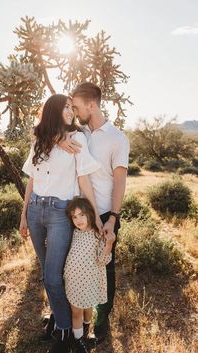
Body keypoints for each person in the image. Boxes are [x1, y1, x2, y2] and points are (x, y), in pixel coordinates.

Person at [19, 94, 101, 353]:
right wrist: (23, 215)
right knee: (47, 274)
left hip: (58, 213)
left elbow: (84, 178)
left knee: (54, 277)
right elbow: (31, 181)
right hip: (35, 210)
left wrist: (96, 215)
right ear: (54, 110)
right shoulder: (40, 141)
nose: (70, 111)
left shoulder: (77, 139)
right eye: (65, 107)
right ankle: (58, 322)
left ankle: (65, 331)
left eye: (71, 107)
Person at [60, 82, 130, 342]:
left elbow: (120, 181)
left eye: (77, 107)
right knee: (74, 265)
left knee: (105, 270)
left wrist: (113, 217)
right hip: (77, 214)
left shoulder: (117, 138)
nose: (75, 112)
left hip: (103, 215)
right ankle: (71, 318)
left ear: (92, 105)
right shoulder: (78, 132)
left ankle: (102, 322)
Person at [64, 197, 115, 353]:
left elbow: (103, 260)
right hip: (73, 280)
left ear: (90, 214)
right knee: (76, 312)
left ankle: (85, 330)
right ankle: (78, 341)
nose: (78, 220)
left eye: (81, 215)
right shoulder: (74, 233)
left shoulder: (97, 235)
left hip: (89, 281)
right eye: (74, 216)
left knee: (87, 309)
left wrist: (109, 244)